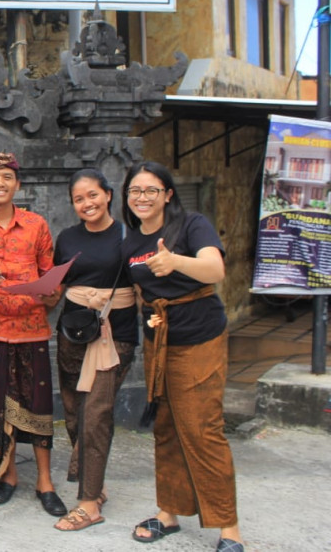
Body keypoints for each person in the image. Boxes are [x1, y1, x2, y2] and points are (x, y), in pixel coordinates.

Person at [121, 162, 243, 552]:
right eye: (135, 191)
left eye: (151, 190)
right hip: (160, 340)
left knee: (202, 428)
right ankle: (169, 512)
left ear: (168, 194)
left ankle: (229, 529)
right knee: (167, 427)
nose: (142, 197)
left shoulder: (192, 225)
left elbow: (215, 269)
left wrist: (175, 261)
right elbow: (137, 292)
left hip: (200, 337)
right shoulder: (130, 243)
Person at [0, 152, 66, 517]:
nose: (0, 183)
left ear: (17, 183)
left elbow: (51, 276)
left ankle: (45, 481)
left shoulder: (37, 225)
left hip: (32, 330)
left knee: (39, 405)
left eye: (7, 176)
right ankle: (6, 475)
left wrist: (53, 292)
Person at [51, 169, 138, 531]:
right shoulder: (67, 238)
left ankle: (88, 503)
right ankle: (94, 484)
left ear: (108, 195)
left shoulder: (129, 238)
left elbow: (144, 285)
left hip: (114, 334)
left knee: (96, 413)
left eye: (93, 195)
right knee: (73, 410)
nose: (87, 204)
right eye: (79, 199)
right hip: (72, 331)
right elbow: (57, 284)